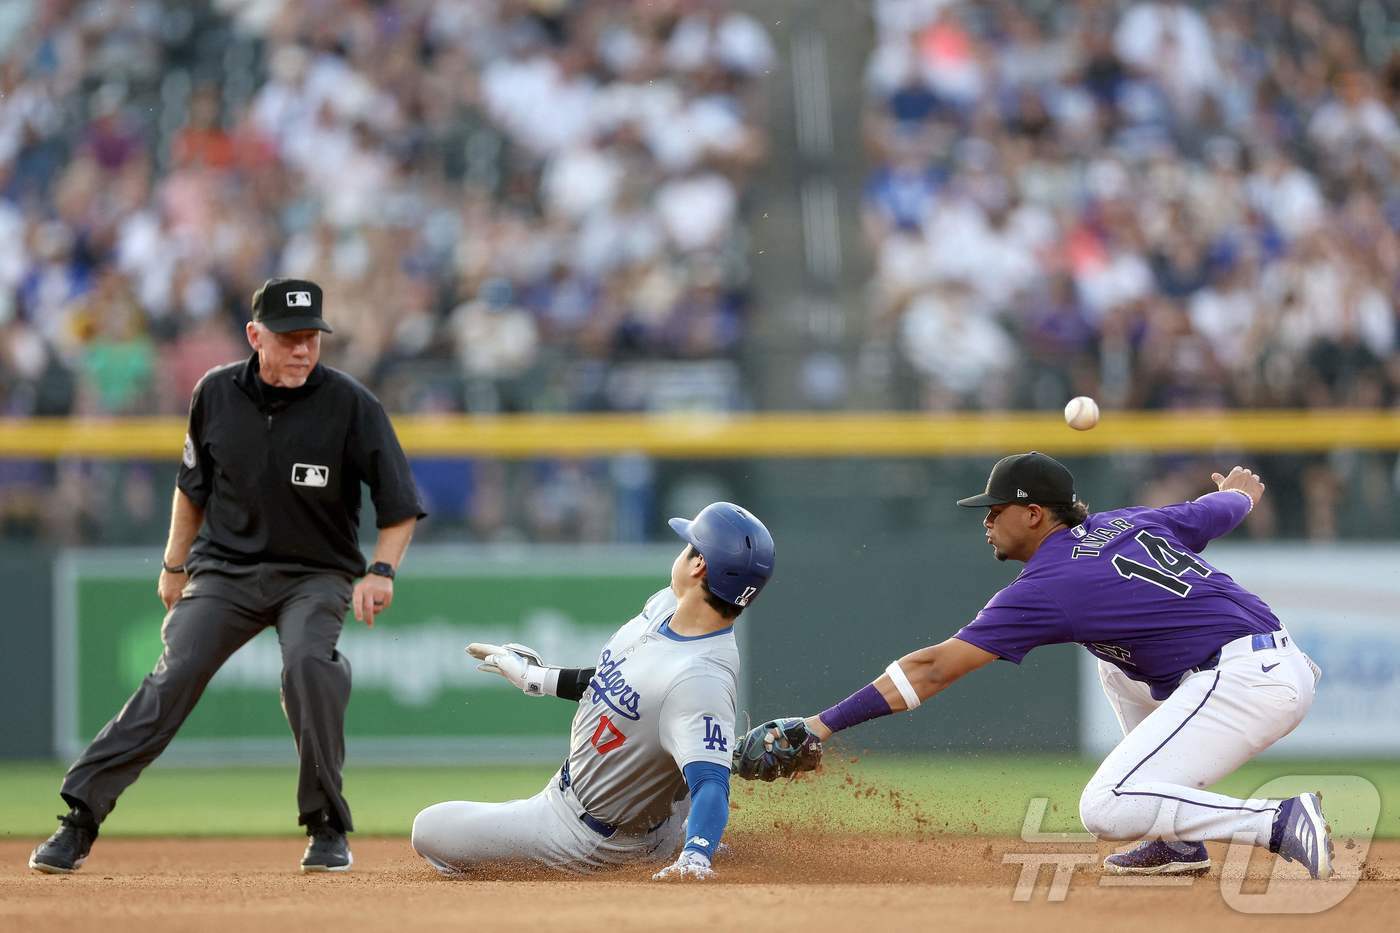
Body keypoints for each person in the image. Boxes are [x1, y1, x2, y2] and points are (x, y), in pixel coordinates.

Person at [755, 452, 1333, 879]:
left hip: (1243, 681)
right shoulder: (1126, 521)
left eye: (995, 511)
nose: (986, 521)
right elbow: (1216, 510)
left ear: (1033, 515)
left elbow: (932, 669)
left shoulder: (1050, 584)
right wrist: (1242, 493)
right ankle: (1176, 842)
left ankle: (1278, 822)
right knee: (1114, 663)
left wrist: (821, 724)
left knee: (1104, 807)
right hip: (1267, 664)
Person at [29, 278, 426, 875]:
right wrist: (173, 564)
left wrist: (382, 571)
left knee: (308, 667)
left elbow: (399, 507)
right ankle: (79, 819)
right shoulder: (214, 393)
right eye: (289, 337)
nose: (303, 350)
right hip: (225, 571)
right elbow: (191, 490)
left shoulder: (351, 404)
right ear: (254, 335)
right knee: (174, 674)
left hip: (315, 575)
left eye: (312, 337)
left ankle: (325, 827)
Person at [410, 502, 775, 879]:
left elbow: (711, 784)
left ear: (698, 565)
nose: (680, 552)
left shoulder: (700, 677)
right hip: (605, 803)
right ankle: (673, 837)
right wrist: (535, 678)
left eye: (688, 546)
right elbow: (618, 681)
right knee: (683, 737)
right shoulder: (667, 606)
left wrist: (696, 859)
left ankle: (678, 846)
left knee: (430, 828)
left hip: (588, 837)